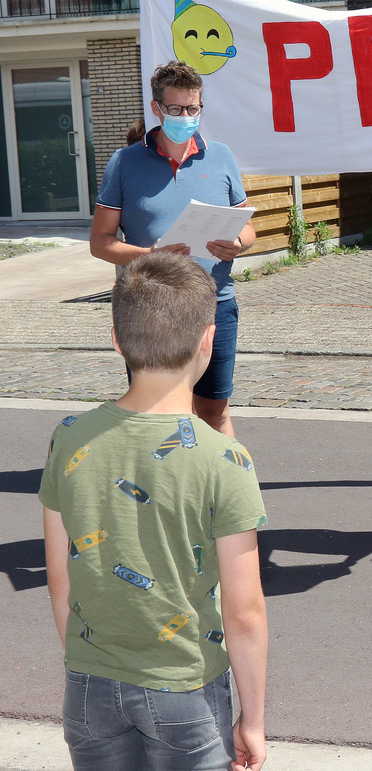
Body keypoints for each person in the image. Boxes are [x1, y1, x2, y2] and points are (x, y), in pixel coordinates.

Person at [39, 252, 268, 771]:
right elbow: (244, 611)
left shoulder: (70, 437)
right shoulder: (223, 458)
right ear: (208, 341)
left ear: (116, 339)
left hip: (89, 686)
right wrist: (251, 720)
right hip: (185, 688)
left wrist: (88, 662)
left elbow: (60, 580)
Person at [91, 61, 256, 437]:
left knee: (213, 410)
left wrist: (238, 244)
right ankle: (157, 489)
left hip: (214, 303)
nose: (186, 116)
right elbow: (100, 243)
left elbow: (248, 227)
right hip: (150, 305)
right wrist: (148, 257)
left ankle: (223, 488)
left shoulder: (221, 157)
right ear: (157, 109)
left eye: (193, 108)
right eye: (176, 109)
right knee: (154, 410)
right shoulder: (124, 163)